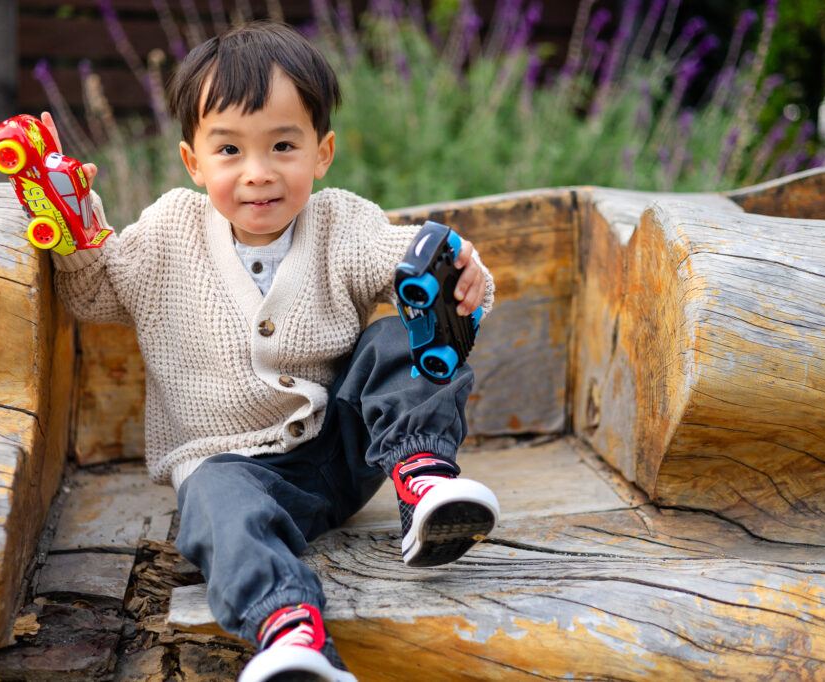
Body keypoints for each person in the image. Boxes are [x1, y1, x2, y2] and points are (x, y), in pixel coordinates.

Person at [44, 20, 498, 682]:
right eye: (229, 150)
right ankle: (290, 634)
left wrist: (459, 269)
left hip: (345, 454)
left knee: (399, 336)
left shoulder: (340, 223)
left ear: (322, 151)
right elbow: (96, 294)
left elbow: (411, 258)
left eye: (283, 145)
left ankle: (423, 477)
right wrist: (75, 234)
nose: (258, 174)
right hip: (229, 467)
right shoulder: (169, 232)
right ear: (193, 161)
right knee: (217, 509)